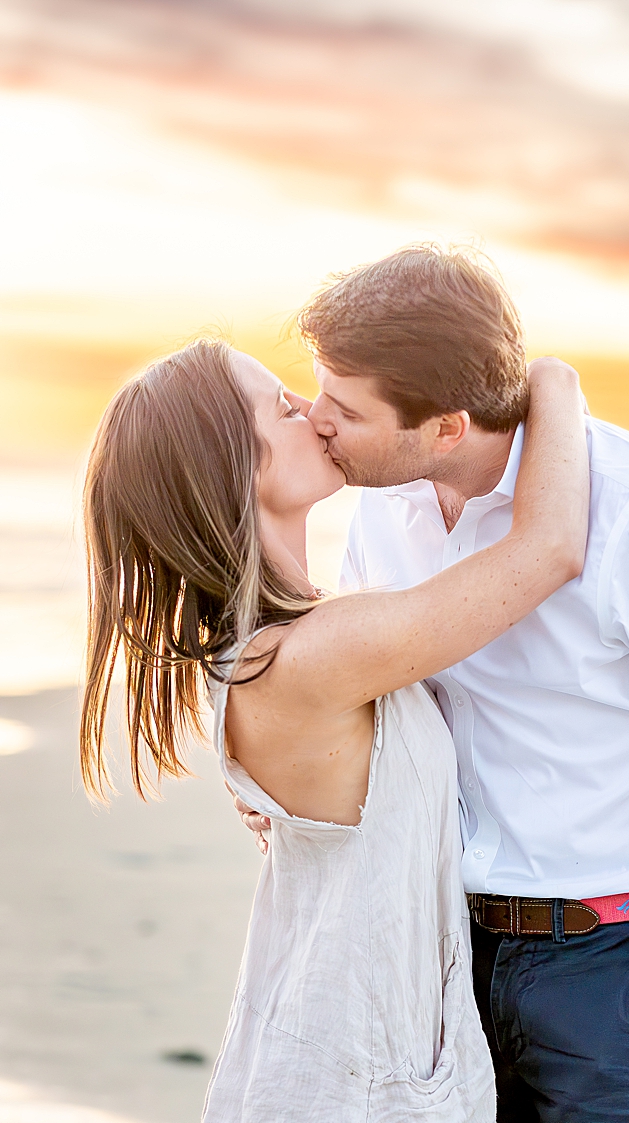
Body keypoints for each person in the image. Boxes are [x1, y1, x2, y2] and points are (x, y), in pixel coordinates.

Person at [235, 245, 629, 1122]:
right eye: (318, 391)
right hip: (453, 956)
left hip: (618, 957)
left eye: (346, 409)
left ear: (447, 424)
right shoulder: (382, 507)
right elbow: (391, 705)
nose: (317, 420)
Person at [79, 339, 589, 1120]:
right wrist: (551, 379)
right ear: (234, 466)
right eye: (283, 406)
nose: (315, 414)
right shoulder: (311, 654)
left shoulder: (287, 643)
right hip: (349, 1084)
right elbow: (549, 547)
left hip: (342, 1062)